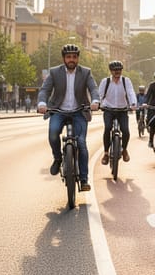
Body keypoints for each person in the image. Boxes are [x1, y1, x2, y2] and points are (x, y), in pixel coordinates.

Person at [37, 44, 100, 191]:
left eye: (74, 57)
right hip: (58, 110)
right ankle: (58, 158)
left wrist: (96, 101)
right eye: (68, 57)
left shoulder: (86, 72)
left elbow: (93, 89)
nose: (71, 59)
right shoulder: (54, 72)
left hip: (79, 111)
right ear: (63, 58)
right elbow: (45, 90)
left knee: (82, 143)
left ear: (78, 58)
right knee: (53, 134)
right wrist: (42, 103)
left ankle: (84, 180)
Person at [97, 60, 138, 164]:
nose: (117, 72)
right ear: (111, 71)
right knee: (107, 128)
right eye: (115, 70)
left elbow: (130, 92)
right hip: (108, 109)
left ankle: (124, 150)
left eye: (119, 70)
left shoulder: (126, 81)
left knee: (125, 130)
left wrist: (133, 104)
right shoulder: (105, 81)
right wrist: (97, 103)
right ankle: (106, 153)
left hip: (122, 110)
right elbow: (100, 95)